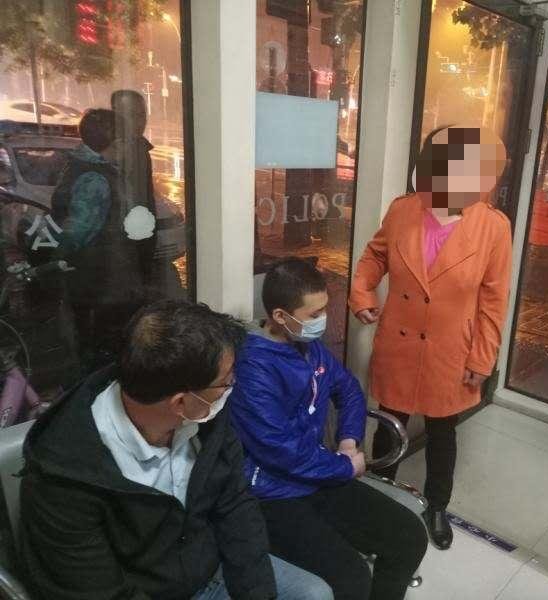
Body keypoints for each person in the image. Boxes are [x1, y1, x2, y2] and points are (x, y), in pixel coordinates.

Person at [19, 300, 333, 600]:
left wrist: (256, 594)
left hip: (209, 566)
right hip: (147, 592)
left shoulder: (204, 415)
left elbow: (235, 505)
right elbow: (99, 592)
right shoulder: (65, 478)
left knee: (314, 593)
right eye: (226, 383)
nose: (231, 388)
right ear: (180, 402)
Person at [349, 125, 513, 550]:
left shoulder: (493, 226)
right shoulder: (403, 209)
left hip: (451, 349)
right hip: (400, 342)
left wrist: (482, 358)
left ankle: (437, 506)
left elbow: (494, 301)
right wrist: (362, 292)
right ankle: (380, 499)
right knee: (390, 423)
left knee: (443, 431)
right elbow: (375, 255)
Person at [229, 257, 428, 600]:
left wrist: (349, 441)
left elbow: (348, 389)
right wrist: (345, 467)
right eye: (315, 314)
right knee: (351, 579)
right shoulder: (253, 368)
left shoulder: (309, 348)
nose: (324, 319)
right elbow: (280, 451)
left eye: (324, 309)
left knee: (409, 536)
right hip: (272, 494)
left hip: (318, 474)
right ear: (281, 316)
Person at [49, 108, 153, 377]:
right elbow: (76, 233)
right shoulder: (95, 179)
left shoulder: (82, 167)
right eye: (125, 141)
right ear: (115, 143)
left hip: (97, 283)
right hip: (102, 284)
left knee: (95, 343)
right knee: (102, 349)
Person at [110, 89, 158, 282]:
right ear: (116, 116)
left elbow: (143, 195)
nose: (139, 121)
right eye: (131, 115)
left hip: (141, 234)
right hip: (120, 240)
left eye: (142, 114)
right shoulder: (109, 152)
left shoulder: (141, 148)